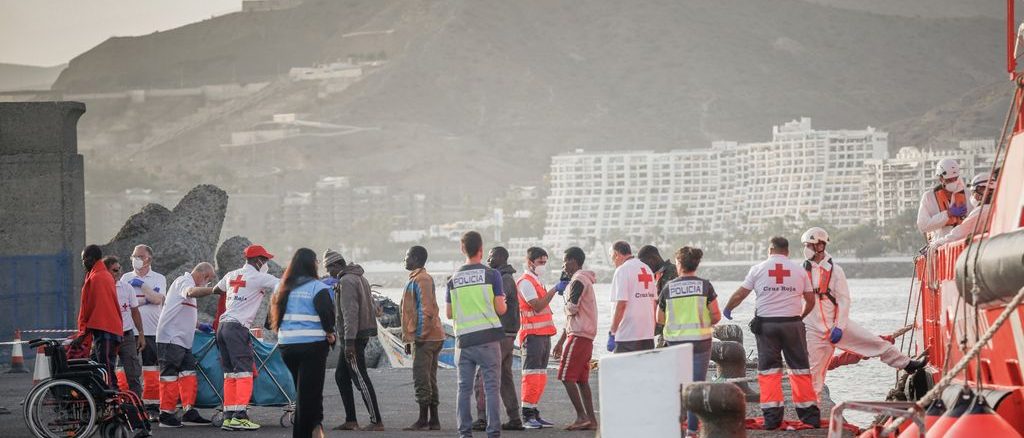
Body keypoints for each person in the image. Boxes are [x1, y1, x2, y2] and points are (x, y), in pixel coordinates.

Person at [800, 228, 927, 399]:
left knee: (874, 343)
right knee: (814, 371)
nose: (806, 248)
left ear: (821, 246)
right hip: (813, 330)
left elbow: (844, 301)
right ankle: (811, 410)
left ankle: (907, 363)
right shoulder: (801, 272)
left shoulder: (835, 271)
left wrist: (839, 327)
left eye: (810, 244)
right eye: (806, 245)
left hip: (838, 326)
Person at [721, 237, 819, 430]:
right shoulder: (799, 270)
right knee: (800, 369)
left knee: (769, 372)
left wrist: (728, 308)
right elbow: (811, 300)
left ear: (770, 250)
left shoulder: (758, 269)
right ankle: (810, 417)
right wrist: (799, 316)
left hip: (767, 327)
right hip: (792, 324)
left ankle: (772, 418)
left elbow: (741, 293)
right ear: (787, 251)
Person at [210, 244, 279, 431]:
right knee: (244, 371)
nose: (266, 263)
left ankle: (229, 415)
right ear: (258, 261)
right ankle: (240, 415)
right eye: (265, 260)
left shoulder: (232, 275)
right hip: (237, 328)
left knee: (230, 373)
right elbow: (281, 286)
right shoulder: (259, 277)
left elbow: (217, 289)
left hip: (223, 327)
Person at [270, 248, 337, 438]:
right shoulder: (318, 287)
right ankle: (305, 433)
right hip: (312, 346)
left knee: (305, 391)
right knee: (309, 394)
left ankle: (317, 428)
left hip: (287, 347)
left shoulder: (280, 287)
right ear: (312, 264)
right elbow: (327, 315)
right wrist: (331, 334)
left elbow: (270, 321)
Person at [447, 231, 508, 438]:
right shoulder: (492, 275)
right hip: (488, 340)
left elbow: (449, 313)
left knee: (463, 389)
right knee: (491, 388)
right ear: (481, 250)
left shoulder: (453, 279)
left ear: (462, 249)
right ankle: (493, 433)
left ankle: (465, 433)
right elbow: (500, 309)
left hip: (463, 341)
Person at [656, 247, 721, 437]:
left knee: (678, 387)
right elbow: (716, 315)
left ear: (679, 264)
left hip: (675, 344)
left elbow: (659, 318)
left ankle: (676, 430)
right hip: (701, 342)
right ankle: (693, 431)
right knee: (695, 387)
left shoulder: (669, 288)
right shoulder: (705, 286)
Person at [324, 249, 384, 431]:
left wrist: (349, 342)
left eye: (329, 269)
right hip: (358, 335)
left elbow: (350, 313)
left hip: (353, 337)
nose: (329, 273)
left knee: (360, 378)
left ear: (336, 265)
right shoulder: (360, 278)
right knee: (341, 376)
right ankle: (351, 419)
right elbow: (372, 306)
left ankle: (376, 421)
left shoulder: (346, 281)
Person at [154, 262, 217, 428]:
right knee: (169, 375)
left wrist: (199, 325)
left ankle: (188, 411)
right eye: (208, 281)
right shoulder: (183, 281)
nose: (207, 284)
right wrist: (214, 290)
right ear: (204, 276)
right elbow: (190, 292)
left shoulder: (188, 285)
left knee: (188, 373)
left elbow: (182, 312)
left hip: (183, 340)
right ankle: (166, 414)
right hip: (171, 339)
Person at [473, 247, 524, 431]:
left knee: (483, 375)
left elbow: (496, 305)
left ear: (502, 257)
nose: (488, 258)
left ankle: (482, 418)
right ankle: (514, 418)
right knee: (504, 377)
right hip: (508, 333)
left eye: (492, 255)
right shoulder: (504, 278)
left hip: (502, 333)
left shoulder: (504, 279)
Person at [552, 247, 598, 431]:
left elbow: (572, 308)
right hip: (585, 335)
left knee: (565, 375)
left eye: (565, 261)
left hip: (579, 335)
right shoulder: (583, 279)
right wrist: (561, 340)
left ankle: (581, 416)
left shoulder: (578, 279)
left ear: (574, 261)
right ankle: (591, 420)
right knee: (581, 379)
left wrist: (564, 295)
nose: (563, 266)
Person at [399, 246, 445, 431]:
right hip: (430, 336)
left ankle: (423, 420)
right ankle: (433, 420)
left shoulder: (422, 279)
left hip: (427, 338)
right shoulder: (418, 278)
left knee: (421, 378)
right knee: (429, 378)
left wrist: (419, 336)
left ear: (416, 259)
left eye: (407, 256)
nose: (404, 259)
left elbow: (426, 310)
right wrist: (409, 338)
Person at [515, 247, 560, 428]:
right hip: (532, 335)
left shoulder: (537, 281)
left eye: (545, 262)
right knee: (531, 375)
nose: (543, 266)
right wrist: (555, 289)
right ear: (530, 262)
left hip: (543, 334)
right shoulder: (525, 282)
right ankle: (527, 415)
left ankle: (534, 412)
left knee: (540, 376)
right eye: (541, 262)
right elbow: (537, 306)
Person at [121, 244, 167, 417]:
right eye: (134, 256)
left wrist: (142, 286)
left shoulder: (158, 278)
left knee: (151, 369)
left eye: (140, 256)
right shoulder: (125, 278)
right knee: (125, 369)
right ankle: (126, 403)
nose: (136, 260)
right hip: (129, 330)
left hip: (151, 330)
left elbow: (157, 299)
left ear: (149, 259)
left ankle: (152, 406)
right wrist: (145, 298)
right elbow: (121, 302)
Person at [75, 245, 123, 390]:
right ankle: (107, 398)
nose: (82, 263)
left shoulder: (98, 278)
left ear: (91, 259)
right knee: (99, 365)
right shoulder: (102, 275)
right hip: (109, 329)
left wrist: (83, 333)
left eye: (83, 259)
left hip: (105, 329)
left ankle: (114, 398)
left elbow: (94, 309)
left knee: (105, 368)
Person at [104, 256, 146, 397]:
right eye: (115, 270)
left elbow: (135, 311)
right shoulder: (101, 288)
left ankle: (137, 407)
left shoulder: (126, 288)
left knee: (133, 373)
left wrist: (140, 333)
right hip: (107, 336)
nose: (118, 273)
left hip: (126, 335)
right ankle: (111, 407)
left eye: (119, 269)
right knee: (107, 373)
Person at [607, 241, 658, 353]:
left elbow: (621, 304)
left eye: (611, 257)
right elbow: (653, 304)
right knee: (643, 369)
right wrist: (651, 329)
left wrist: (612, 332)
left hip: (627, 334)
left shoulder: (622, 270)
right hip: (647, 334)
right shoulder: (647, 269)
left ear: (616, 254)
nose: (612, 262)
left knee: (622, 369)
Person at [929, 172, 997, 248]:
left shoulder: (981, 211)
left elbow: (960, 232)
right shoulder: (996, 208)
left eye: (973, 193)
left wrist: (937, 243)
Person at [917, 158, 972, 242]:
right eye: (949, 180)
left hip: (963, 245)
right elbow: (923, 225)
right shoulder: (929, 197)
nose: (953, 182)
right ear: (940, 178)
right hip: (940, 246)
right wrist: (947, 214)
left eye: (955, 178)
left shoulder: (968, 194)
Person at [638, 245, 678, 346]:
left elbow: (667, 306)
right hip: (665, 330)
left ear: (653, 259)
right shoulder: (658, 276)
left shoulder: (672, 272)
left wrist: (648, 332)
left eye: (645, 263)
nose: (645, 267)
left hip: (674, 330)